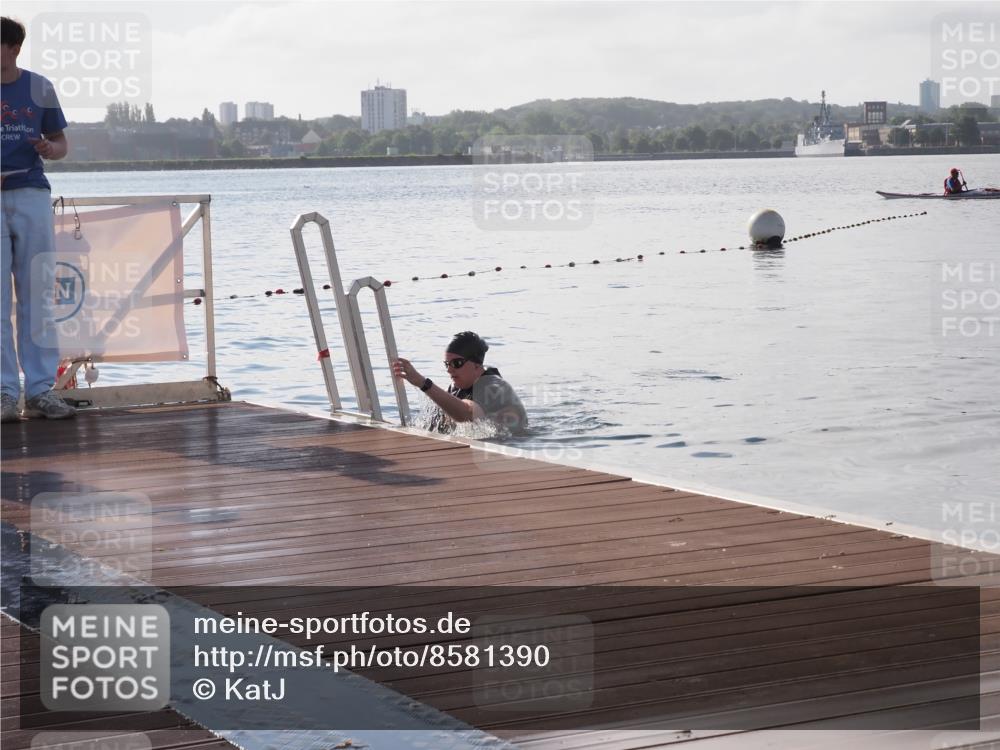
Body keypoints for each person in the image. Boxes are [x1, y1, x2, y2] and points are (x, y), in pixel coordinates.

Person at [1, 16, 74, 422]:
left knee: (38, 296)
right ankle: (4, 393)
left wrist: (49, 147)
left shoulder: (39, 87)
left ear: (13, 48)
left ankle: (41, 389)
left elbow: (63, 143)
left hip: (30, 193)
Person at [393, 330, 527, 435]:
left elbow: (467, 413)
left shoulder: (492, 386)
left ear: (476, 364)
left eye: (457, 363)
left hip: (508, 447)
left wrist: (423, 383)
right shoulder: (456, 387)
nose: (449, 370)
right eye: (447, 364)